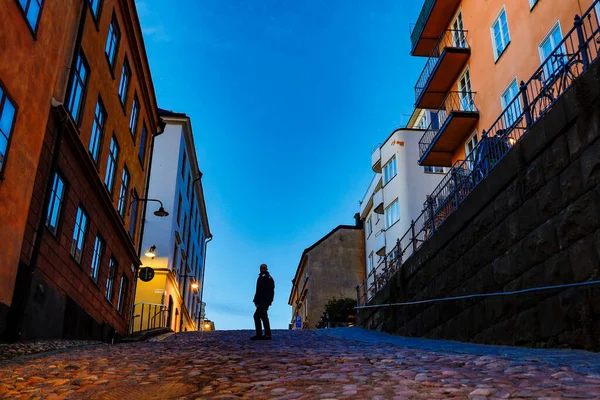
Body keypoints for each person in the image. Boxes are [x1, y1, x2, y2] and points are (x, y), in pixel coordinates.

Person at [251, 263, 275, 340]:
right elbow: (258, 290)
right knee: (258, 316)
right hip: (261, 300)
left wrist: (269, 301)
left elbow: (271, 290)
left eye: (264, 268)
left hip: (264, 301)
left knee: (262, 317)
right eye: (261, 268)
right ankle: (261, 334)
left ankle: (266, 334)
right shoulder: (261, 277)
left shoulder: (267, 277)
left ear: (266, 269)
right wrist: (256, 300)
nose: (262, 269)